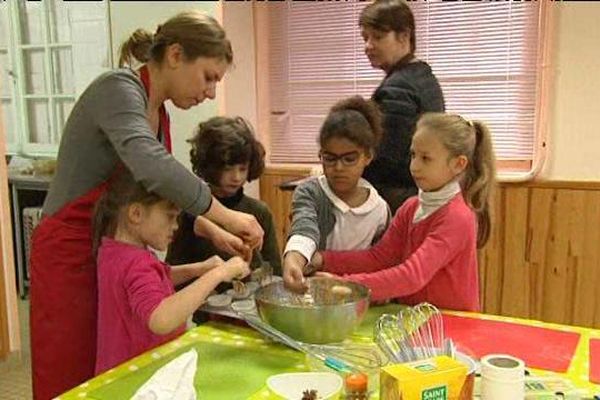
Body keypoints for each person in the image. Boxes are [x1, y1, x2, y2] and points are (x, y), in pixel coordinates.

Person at [29, 11, 263, 399]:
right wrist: (226, 214)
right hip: (68, 252)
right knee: (69, 373)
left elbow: (157, 194)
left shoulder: (160, 114)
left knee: (115, 366)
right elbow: (152, 167)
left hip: (109, 249)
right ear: (175, 55)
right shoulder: (118, 89)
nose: (209, 93)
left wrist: (214, 231)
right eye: (208, 77)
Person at [306, 113, 496, 312]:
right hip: (415, 319)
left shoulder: (457, 217)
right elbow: (379, 258)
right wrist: (323, 259)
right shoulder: (411, 208)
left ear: (458, 164)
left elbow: (412, 275)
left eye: (426, 159)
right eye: (413, 155)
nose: (414, 166)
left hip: (453, 325)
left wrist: (347, 286)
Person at [93, 170, 250, 374]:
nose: (175, 226)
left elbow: (156, 280)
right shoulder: (137, 263)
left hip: (117, 374)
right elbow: (161, 319)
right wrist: (218, 274)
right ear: (136, 214)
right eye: (170, 217)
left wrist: (200, 269)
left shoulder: (113, 250)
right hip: (141, 378)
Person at [282, 96, 391, 289]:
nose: (339, 167)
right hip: (313, 292)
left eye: (349, 159)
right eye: (330, 158)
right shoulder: (311, 192)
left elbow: (380, 260)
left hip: (357, 294)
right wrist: (294, 257)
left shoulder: (380, 209)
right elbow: (304, 227)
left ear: (367, 156)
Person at [167, 116, 281, 278]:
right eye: (228, 168)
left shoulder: (259, 212)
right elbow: (171, 273)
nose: (236, 177)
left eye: (242, 169)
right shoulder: (186, 213)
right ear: (211, 166)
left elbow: (275, 272)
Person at [359, 0, 445, 213]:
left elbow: (388, 161)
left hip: (396, 202)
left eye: (377, 37)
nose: (368, 46)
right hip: (419, 197)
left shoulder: (398, 87)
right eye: (365, 37)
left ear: (404, 36)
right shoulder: (424, 77)